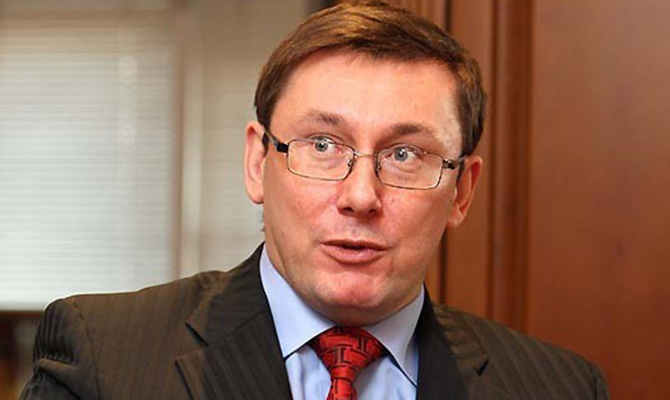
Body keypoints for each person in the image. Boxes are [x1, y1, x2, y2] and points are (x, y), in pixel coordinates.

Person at [20, 2, 610, 399]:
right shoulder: (103, 359)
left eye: (405, 155)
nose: (361, 196)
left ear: (462, 191)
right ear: (258, 163)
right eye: (323, 145)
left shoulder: (559, 388)